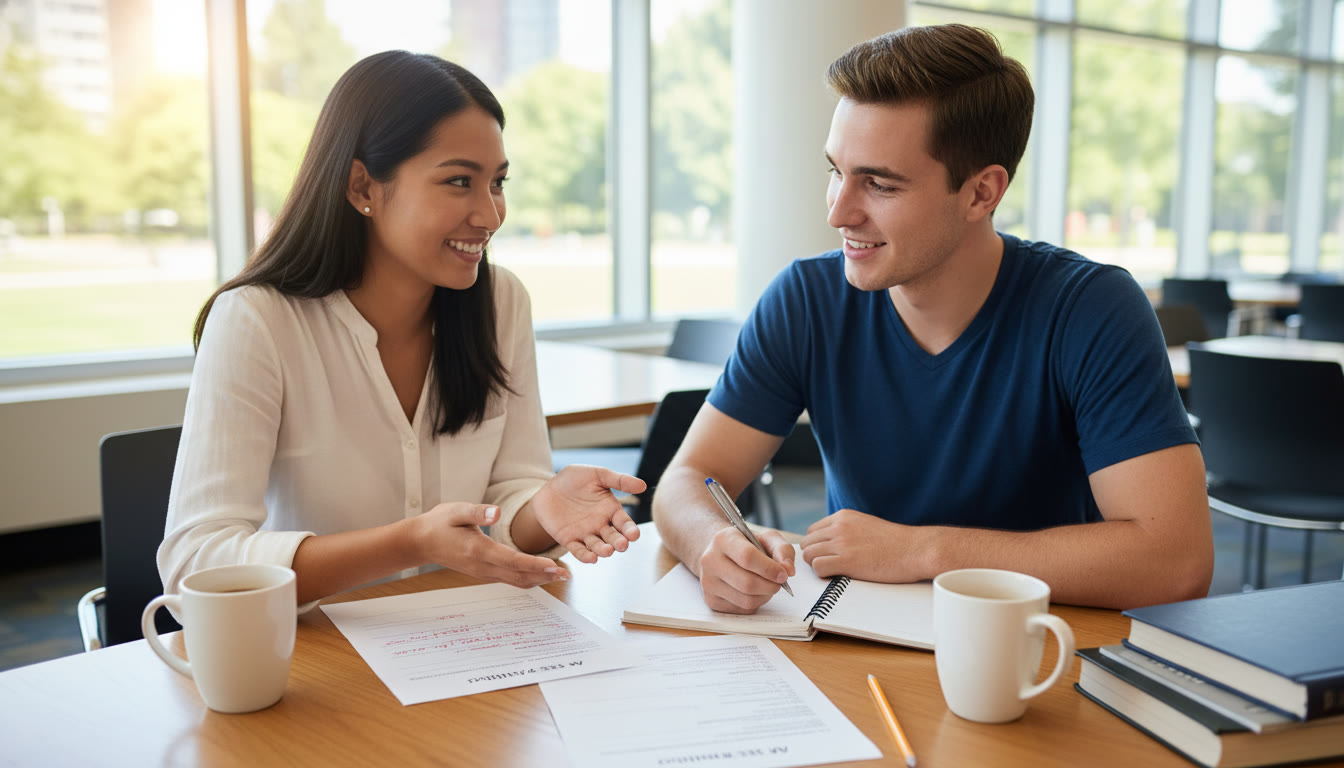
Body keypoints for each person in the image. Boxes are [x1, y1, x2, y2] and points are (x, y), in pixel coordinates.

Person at [652, 24, 1212, 614]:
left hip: (1030, 649)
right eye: (836, 171)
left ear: (981, 193)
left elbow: (1175, 560)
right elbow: (690, 479)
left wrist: (923, 552)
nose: (840, 211)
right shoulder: (806, 298)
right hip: (854, 638)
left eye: (880, 184)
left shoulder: (1091, 308)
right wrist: (711, 543)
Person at [159, 51, 645, 607]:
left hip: (462, 640)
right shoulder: (257, 320)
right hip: (316, 655)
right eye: (459, 181)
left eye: (498, 183)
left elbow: (509, 498)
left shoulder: (501, 301)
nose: (490, 215)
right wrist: (409, 542)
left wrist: (544, 509)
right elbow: (196, 561)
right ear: (362, 187)